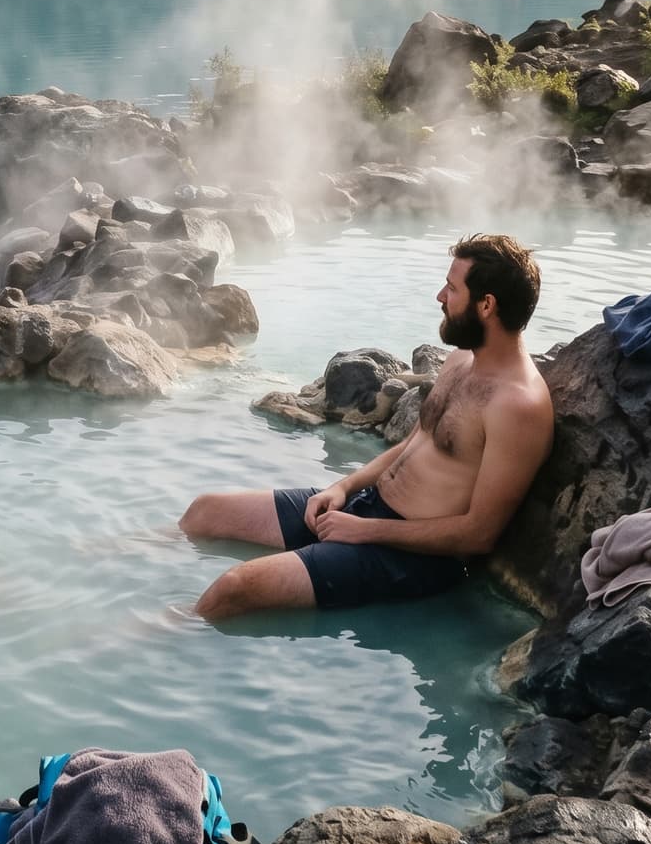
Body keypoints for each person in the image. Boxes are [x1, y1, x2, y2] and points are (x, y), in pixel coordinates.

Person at [178, 234, 555, 618]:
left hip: (411, 557)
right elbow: (416, 442)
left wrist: (365, 532)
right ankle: (122, 555)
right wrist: (342, 487)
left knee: (233, 588)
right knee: (204, 512)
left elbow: (479, 534)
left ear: (486, 305)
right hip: (366, 508)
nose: (440, 296)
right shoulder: (461, 360)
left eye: (452, 288)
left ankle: (144, 640)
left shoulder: (518, 406)